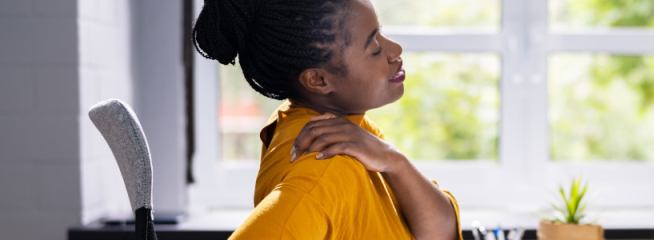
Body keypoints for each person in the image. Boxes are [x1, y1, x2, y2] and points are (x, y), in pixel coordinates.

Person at [192, 0, 461, 239]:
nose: (395, 49)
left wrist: (395, 162)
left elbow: (440, 231)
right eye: (375, 48)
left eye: (381, 31)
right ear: (318, 80)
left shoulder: (345, 129)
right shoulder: (324, 165)